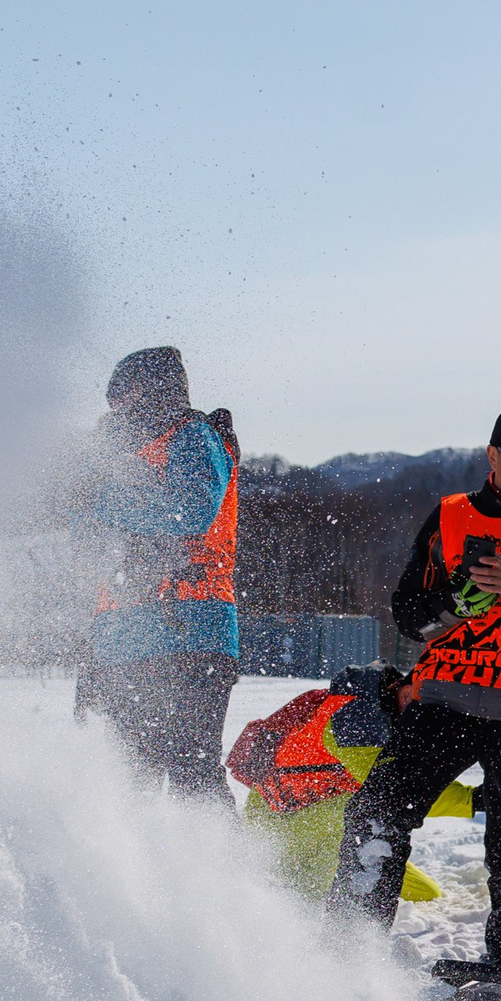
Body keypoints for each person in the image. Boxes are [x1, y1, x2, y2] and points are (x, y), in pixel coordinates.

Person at [328, 404, 501, 967]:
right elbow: (408, 616)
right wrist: (453, 604)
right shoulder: (448, 516)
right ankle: (346, 955)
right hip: (442, 705)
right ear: (493, 457)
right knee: (376, 813)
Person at [76, 346, 241, 801]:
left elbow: (188, 512)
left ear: (153, 392)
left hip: (188, 627)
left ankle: (219, 870)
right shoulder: (115, 459)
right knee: (127, 779)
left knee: (192, 767)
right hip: (120, 636)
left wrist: (97, 499)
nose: (118, 412)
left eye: (124, 399)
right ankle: (134, 872)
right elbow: (86, 547)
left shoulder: (192, 437)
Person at [226, 663, 472, 899]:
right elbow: (397, 792)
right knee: (366, 803)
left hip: (314, 822)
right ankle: (291, 887)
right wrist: (475, 800)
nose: (413, 702)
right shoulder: (354, 717)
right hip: (276, 825)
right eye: (412, 692)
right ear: (399, 683)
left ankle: (301, 881)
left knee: (426, 893)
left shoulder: (378, 710)